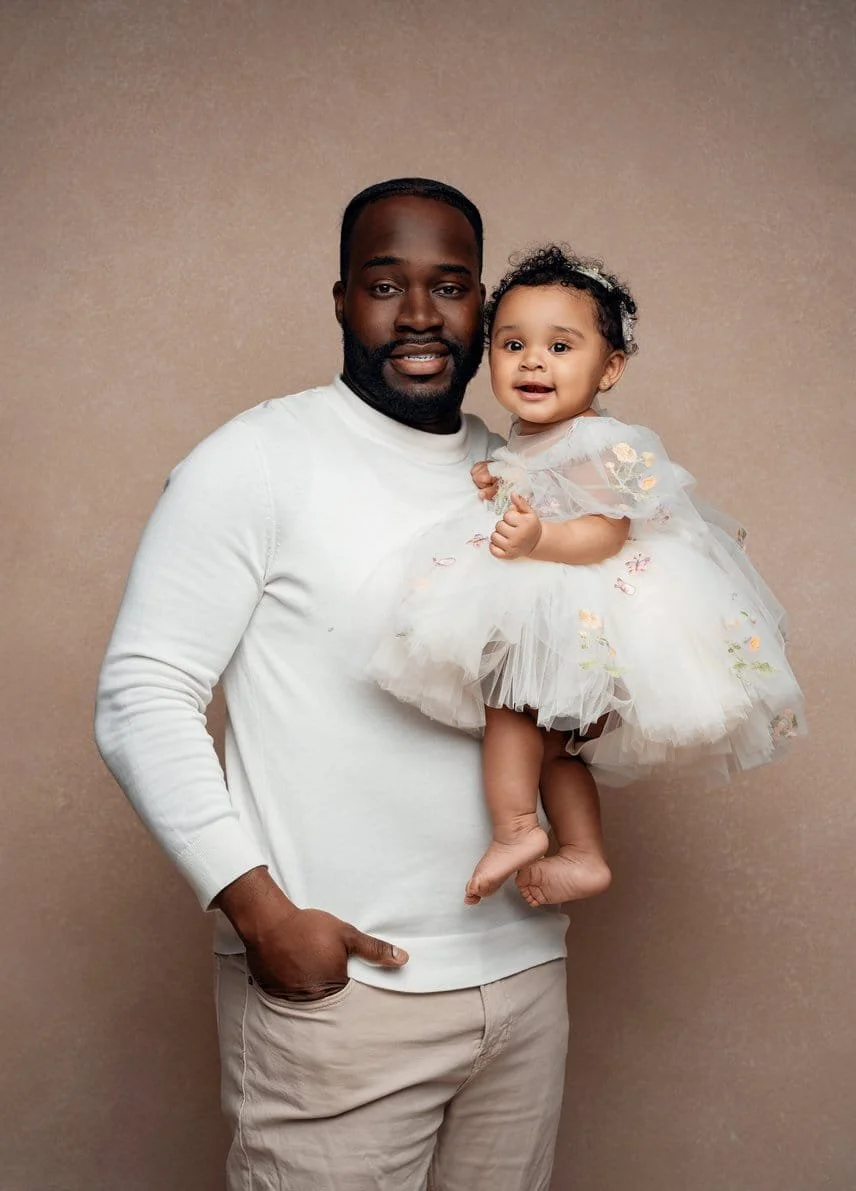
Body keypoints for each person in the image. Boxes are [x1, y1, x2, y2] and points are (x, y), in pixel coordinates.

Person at [94, 181, 572, 1191]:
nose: (416, 315)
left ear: (484, 303)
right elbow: (142, 695)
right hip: (344, 996)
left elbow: (558, 698)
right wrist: (264, 918)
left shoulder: (519, 477)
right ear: (340, 301)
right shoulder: (255, 461)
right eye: (382, 285)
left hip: (522, 981)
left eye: (447, 286)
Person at [370, 244, 804, 908]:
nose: (533, 360)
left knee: (508, 704)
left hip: (584, 596)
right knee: (555, 749)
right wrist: (501, 481)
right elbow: (538, 487)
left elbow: (608, 528)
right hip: (559, 597)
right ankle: (581, 850)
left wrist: (540, 535)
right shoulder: (532, 436)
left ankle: (517, 827)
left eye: (561, 347)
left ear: (612, 367)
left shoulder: (602, 441)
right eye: (512, 343)